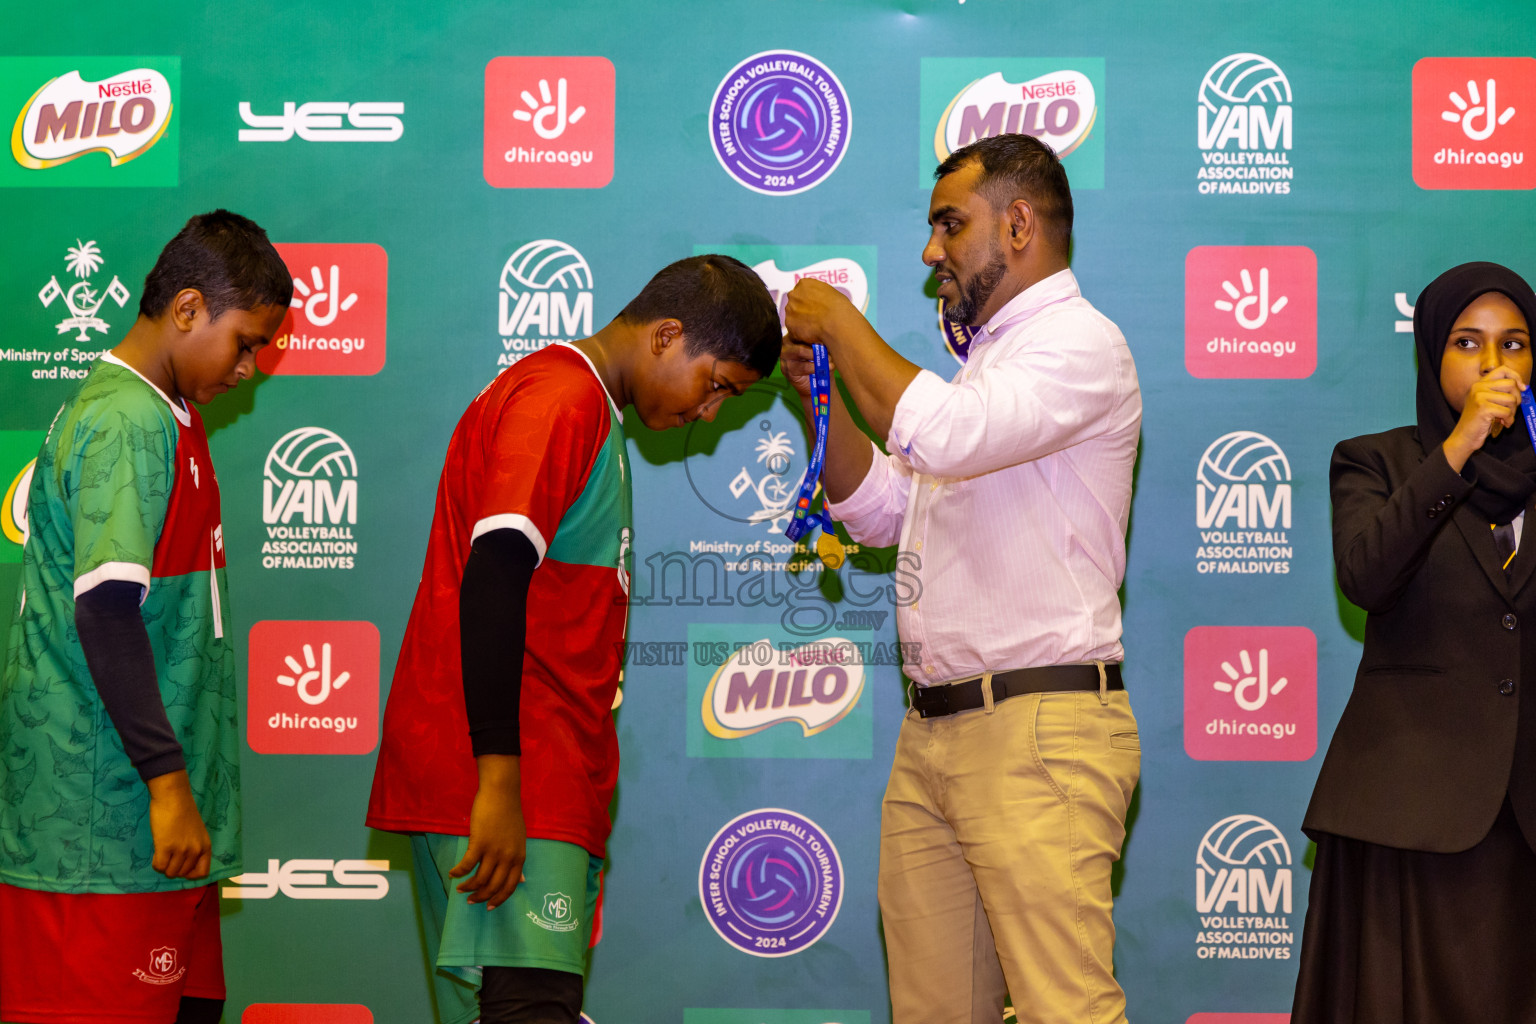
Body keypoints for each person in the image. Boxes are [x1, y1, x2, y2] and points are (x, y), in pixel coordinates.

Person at [782, 133, 1142, 1024]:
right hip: (934, 736)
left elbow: (944, 435)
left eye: (951, 225)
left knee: (1067, 1012)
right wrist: (819, 402)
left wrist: (837, 321)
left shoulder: (1081, 345)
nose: (930, 252)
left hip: (1037, 730)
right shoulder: (984, 370)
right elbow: (881, 515)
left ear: (1019, 224)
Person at [365, 254, 780, 1024]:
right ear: (667, 335)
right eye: (718, 384)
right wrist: (497, 780)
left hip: (529, 774)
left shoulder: (583, 407)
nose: (711, 413)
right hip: (513, 778)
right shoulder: (563, 399)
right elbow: (495, 570)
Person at [0, 211, 291, 1024]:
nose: (250, 368)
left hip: (156, 832)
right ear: (189, 309)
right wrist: (168, 784)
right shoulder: (126, 420)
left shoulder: (168, 413)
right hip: (100, 824)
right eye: (245, 342)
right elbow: (105, 612)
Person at [1293, 262, 1536, 1023]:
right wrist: (1459, 449)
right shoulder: (1377, 462)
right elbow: (1367, 577)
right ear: (1434, 357)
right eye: (1469, 343)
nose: (1496, 365)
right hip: (1408, 814)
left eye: (1516, 344)